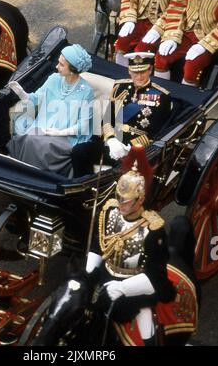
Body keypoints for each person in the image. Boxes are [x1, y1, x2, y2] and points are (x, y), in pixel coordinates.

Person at [32, 146, 198, 346]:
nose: (120, 205)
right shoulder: (110, 211)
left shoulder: (153, 229)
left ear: (140, 200)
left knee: (145, 330)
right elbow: (98, 244)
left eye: (126, 202)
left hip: (135, 287)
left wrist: (122, 288)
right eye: (119, 198)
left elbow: (155, 276)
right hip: (105, 275)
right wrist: (87, 274)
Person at [71, 52, 171, 177]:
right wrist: (111, 140)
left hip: (134, 150)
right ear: (129, 71)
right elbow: (107, 119)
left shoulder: (161, 96)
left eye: (143, 72)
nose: (139, 77)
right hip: (112, 143)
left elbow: (155, 133)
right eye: (135, 72)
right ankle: (82, 189)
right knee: (79, 151)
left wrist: (129, 147)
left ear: (150, 70)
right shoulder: (120, 87)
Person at [7, 44, 93, 178]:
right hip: (43, 126)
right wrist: (22, 93)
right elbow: (36, 98)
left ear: (72, 70)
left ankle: (39, 178)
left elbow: (84, 125)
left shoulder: (86, 91)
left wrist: (60, 132)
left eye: (61, 64)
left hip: (67, 136)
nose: (56, 66)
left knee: (38, 142)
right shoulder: (53, 78)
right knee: (27, 137)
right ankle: (22, 174)